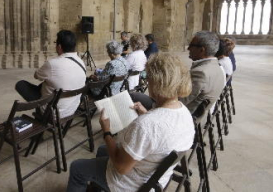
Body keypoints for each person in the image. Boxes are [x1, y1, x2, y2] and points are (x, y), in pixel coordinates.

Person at [66, 53, 195, 192]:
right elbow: (163, 129)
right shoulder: (184, 112)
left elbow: (121, 168)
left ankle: (102, 182)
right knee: (102, 150)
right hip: (157, 176)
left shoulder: (146, 125)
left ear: (157, 83)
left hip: (133, 183)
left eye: (148, 77)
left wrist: (107, 131)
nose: (146, 79)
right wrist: (146, 113)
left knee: (77, 167)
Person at [131, 31, 225, 114]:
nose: (188, 49)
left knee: (134, 96)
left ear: (202, 50)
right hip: (197, 113)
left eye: (191, 46)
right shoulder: (217, 67)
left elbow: (177, 101)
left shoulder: (201, 73)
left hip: (179, 114)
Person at [15, 30, 86, 118]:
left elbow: (36, 75)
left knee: (21, 84)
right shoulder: (81, 62)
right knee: (48, 84)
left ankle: (39, 114)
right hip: (72, 109)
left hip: (52, 112)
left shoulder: (52, 64)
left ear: (59, 47)